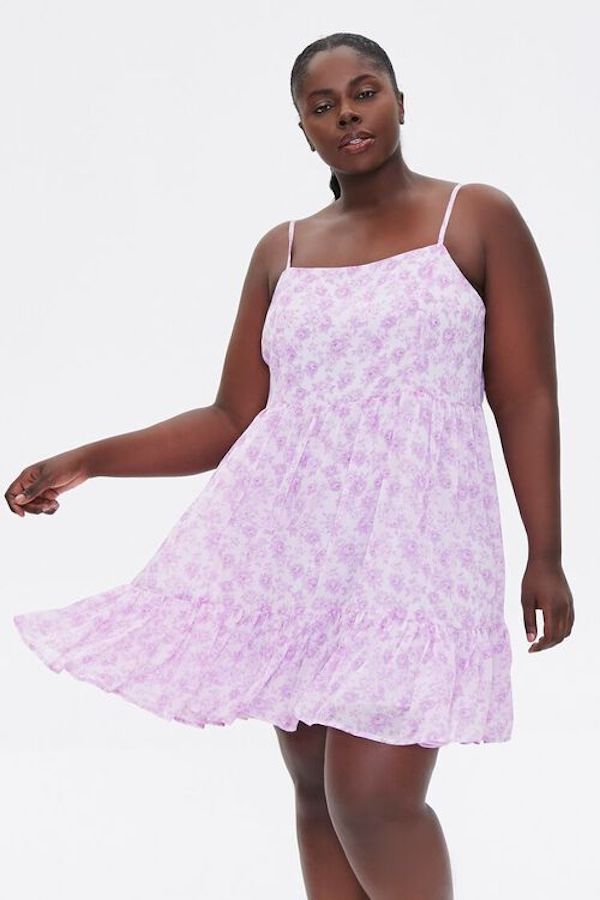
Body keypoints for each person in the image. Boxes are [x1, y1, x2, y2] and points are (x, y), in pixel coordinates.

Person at [6, 32, 574, 900]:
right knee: (315, 792)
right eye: (322, 104)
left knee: (372, 799)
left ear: (401, 100)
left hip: (417, 553)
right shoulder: (285, 250)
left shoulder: (475, 218)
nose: (347, 113)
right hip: (299, 555)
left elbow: (526, 396)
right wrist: (90, 458)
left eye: (365, 91)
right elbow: (233, 419)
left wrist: (546, 551)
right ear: (303, 129)